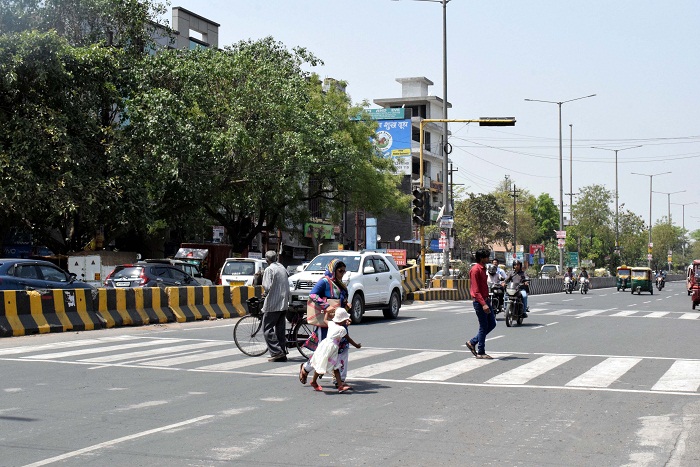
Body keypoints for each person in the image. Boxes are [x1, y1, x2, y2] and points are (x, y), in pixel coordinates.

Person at [299, 259, 352, 386]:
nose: (342, 274)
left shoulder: (340, 284)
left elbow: (341, 300)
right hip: (326, 324)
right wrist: (326, 305)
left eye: (344, 271)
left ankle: (340, 380)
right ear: (333, 270)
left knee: (343, 349)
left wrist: (346, 305)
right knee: (324, 352)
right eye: (340, 271)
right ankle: (306, 369)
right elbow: (313, 295)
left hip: (340, 322)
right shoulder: (324, 282)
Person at [308, 309, 361, 393]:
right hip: (332, 348)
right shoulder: (342, 329)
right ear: (342, 320)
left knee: (325, 364)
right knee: (332, 365)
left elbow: (325, 320)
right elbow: (348, 339)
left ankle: (339, 386)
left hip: (325, 345)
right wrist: (357, 345)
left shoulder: (331, 324)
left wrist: (327, 313)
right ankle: (315, 382)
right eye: (345, 319)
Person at [465, 249, 496, 359]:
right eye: (487, 257)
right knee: (483, 326)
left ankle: (473, 342)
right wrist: (483, 304)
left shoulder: (483, 269)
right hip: (480, 302)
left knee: (492, 324)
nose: (488, 259)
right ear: (482, 258)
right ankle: (481, 352)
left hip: (486, 300)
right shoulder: (475, 270)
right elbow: (476, 290)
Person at [261, 250, 291, 362]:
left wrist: (264, 294)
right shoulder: (282, 267)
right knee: (280, 329)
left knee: (267, 328)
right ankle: (282, 351)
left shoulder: (269, 269)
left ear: (266, 260)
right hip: (284, 303)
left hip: (273, 303)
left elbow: (267, 286)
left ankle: (277, 352)